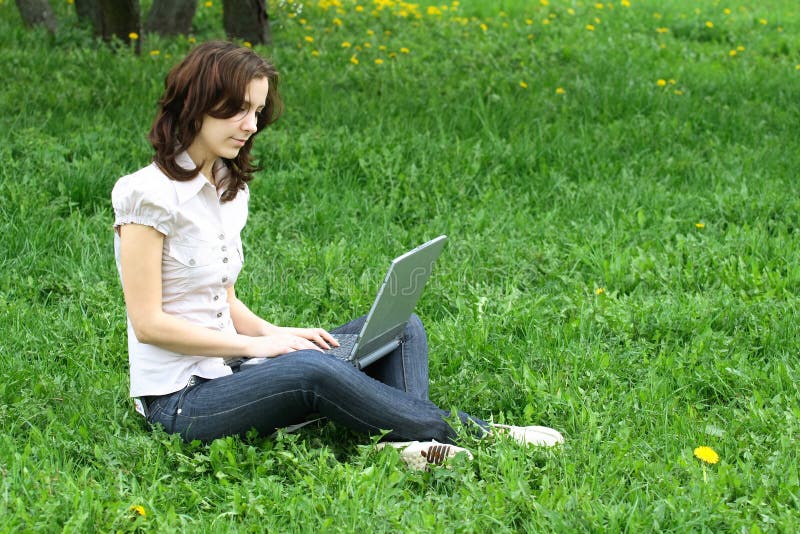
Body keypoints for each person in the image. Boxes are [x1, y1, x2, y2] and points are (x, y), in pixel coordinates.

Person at [111, 41, 563, 470]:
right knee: (311, 370)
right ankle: (479, 433)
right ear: (197, 103)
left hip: (232, 370)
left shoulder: (229, 188)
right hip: (181, 401)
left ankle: (404, 446)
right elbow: (150, 324)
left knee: (401, 329)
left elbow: (221, 300)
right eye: (240, 109)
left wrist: (279, 334)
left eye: (258, 111)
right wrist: (259, 347)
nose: (251, 125)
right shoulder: (147, 196)